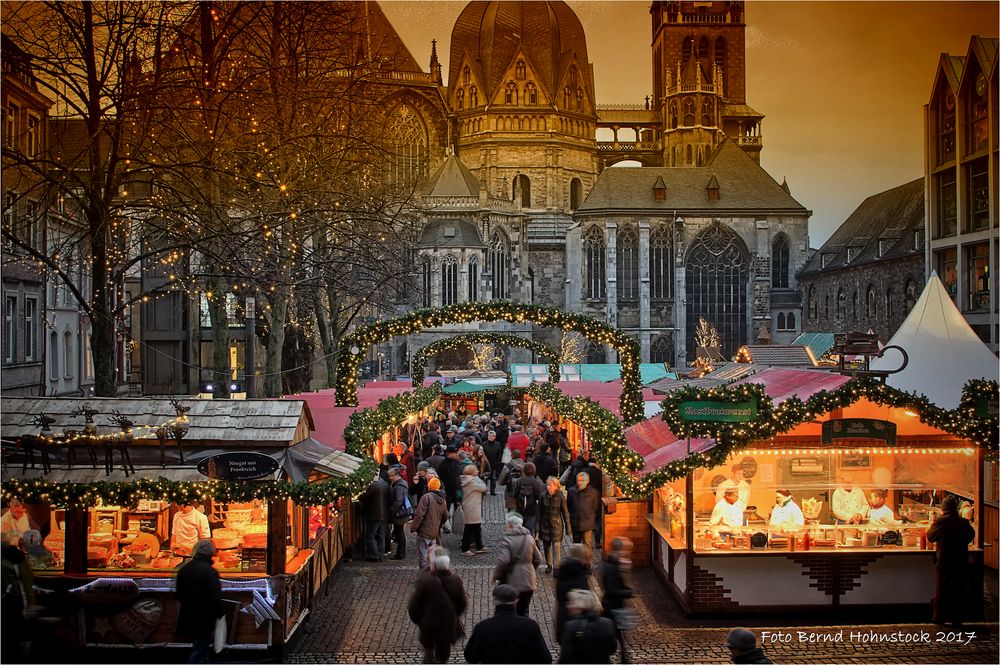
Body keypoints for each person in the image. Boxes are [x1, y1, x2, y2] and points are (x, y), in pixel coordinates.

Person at [463, 584, 551, 664]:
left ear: (494, 601)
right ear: (516, 601)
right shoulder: (530, 626)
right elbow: (545, 659)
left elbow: (470, 656)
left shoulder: (483, 627)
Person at [408, 547, 467, 664]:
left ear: (433, 565)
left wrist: (420, 620)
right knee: (443, 655)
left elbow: (414, 606)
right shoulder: (456, 581)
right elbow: (462, 604)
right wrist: (453, 615)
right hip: (448, 625)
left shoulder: (425, 582)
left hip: (428, 625)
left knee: (428, 653)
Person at [927, 495, 976, 627]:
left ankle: (938, 617)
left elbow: (930, 537)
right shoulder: (963, 522)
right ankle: (957, 618)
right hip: (960, 561)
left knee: (941, 590)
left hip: (944, 561)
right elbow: (971, 536)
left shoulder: (940, 521)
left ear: (944, 508)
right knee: (958, 591)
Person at [176, 540, 224, 663]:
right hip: (204, 617)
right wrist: (219, 614)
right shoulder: (210, 572)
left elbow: (179, 595)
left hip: (188, 614)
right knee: (199, 649)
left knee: (199, 647)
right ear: (211, 554)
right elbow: (215, 598)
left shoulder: (184, 570)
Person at [493, 512, 543, 617]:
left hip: (512, 581)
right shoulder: (530, 538)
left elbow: (503, 561)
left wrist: (496, 575)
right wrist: (530, 569)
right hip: (529, 580)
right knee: (525, 610)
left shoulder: (507, 540)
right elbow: (538, 559)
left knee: (512, 610)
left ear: (510, 525)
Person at [558, 589, 617, 664]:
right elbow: (612, 649)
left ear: (580, 605)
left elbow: (566, 657)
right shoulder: (607, 623)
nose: (568, 605)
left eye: (571, 602)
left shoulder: (571, 626)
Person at [2, 544, 37, 663]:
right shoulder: (15, 556)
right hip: (17, 599)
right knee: (20, 631)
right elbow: (27, 580)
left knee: (15, 631)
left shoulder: (10, 557)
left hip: (13, 600)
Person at [601, 537, 634, 663]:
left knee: (618, 635)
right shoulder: (614, 566)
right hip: (613, 606)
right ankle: (621, 659)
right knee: (616, 634)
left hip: (612, 605)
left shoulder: (609, 563)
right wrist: (627, 592)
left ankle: (623, 658)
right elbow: (612, 589)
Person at [554, 544, 591, 643]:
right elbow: (584, 599)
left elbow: (558, 595)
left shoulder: (563, 570)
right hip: (577, 623)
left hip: (563, 617)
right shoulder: (579, 574)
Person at [412, 478, 449, 570]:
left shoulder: (426, 497)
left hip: (424, 531)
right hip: (434, 532)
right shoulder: (442, 500)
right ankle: (432, 570)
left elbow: (419, 514)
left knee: (423, 554)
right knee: (432, 554)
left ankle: (425, 574)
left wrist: (414, 527)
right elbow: (445, 516)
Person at [538, 476, 572, 573]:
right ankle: (549, 565)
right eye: (548, 485)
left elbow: (565, 513)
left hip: (557, 526)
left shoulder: (560, 496)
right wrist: (537, 528)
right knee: (546, 548)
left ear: (556, 486)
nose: (548, 487)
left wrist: (568, 527)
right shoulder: (543, 496)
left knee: (556, 549)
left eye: (551, 485)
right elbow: (539, 513)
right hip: (545, 526)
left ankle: (557, 568)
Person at [567, 471, 600, 555]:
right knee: (576, 546)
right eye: (578, 480)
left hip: (588, 524)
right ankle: (577, 563)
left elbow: (596, 507)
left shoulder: (594, 493)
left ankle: (587, 565)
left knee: (587, 545)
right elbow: (569, 506)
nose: (579, 482)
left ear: (587, 481)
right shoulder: (571, 491)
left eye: (582, 480)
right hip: (575, 523)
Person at [459, 465, 489, 555]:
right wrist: (478, 479)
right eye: (475, 469)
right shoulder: (472, 481)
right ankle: (465, 549)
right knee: (469, 528)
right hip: (472, 507)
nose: (477, 471)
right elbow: (484, 487)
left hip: (472, 506)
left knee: (476, 527)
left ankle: (479, 546)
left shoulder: (469, 480)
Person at [360, 475, 390, 562]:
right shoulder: (384, 483)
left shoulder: (373, 486)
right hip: (384, 513)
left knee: (370, 534)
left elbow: (363, 497)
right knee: (381, 534)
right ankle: (380, 554)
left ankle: (374, 555)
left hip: (374, 514)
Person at [512, 462, 545, 536]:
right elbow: (540, 496)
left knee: (519, 531)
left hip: (520, 509)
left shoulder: (519, 481)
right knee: (530, 532)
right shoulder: (536, 482)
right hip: (532, 510)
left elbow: (515, 495)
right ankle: (529, 545)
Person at [387, 466, 410, 560]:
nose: (390, 477)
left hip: (399, 514)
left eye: (391, 476)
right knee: (399, 533)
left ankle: (400, 553)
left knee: (400, 533)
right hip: (400, 513)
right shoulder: (398, 483)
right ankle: (401, 553)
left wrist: (392, 510)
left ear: (397, 475)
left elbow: (399, 501)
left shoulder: (399, 486)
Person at [438, 446, 463, 511]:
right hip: (446, 492)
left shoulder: (457, 463)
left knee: (457, 513)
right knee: (445, 512)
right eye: (455, 453)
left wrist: (459, 496)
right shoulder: (443, 465)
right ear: (449, 453)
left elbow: (459, 481)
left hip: (456, 492)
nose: (456, 454)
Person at [482, 430, 504, 496]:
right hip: (485, 464)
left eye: (492, 436)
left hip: (494, 464)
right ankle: (484, 490)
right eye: (489, 435)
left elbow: (499, 455)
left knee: (493, 479)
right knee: (485, 478)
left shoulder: (497, 444)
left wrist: (498, 463)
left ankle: (492, 490)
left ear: (495, 437)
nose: (490, 437)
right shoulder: (484, 444)